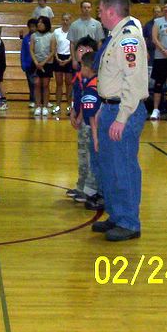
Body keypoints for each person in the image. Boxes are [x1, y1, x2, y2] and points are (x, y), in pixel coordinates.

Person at [92, 0, 149, 242]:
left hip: (124, 110)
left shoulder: (128, 39)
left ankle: (129, 222)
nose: (99, 15)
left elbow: (133, 82)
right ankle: (116, 215)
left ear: (111, 12)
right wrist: (104, 108)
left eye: (100, 11)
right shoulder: (116, 35)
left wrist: (122, 117)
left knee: (123, 167)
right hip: (110, 107)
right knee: (109, 166)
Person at [68, 39, 101, 209]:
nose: (83, 53)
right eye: (80, 49)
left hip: (89, 122)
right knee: (82, 156)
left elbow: (89, 103)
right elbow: (77, 96)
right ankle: (81, 186)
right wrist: (73, 112)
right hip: (83, 120)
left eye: (87, 50)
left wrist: (80, 116)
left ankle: (90, 190)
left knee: (89, 157)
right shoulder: (79, 76)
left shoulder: (94, 81)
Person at [68, 1, 105, 69]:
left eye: (88, 7)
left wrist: (98, 57)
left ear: (91, 9)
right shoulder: (74, 24)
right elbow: (72, 44)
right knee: (78, 75)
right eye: (84, 7)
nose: (86, 9)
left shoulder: (97, 24)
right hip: (79, 57)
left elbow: (99, 42)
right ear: (81, 9)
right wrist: (74, 60)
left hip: (92, 57)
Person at [31, 16, 55, 117]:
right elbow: (31, 50)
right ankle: (38, 106)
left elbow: (52, 51)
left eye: (42, 22)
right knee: (37, 84)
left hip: (47, 63)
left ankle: (45, 106)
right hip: (36, 63)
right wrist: (36, 62)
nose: (39, 24)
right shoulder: (34, 35)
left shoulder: (51, 36)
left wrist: (43, 63)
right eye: (38, 22)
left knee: (45, 85)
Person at [52, 13, 74, 114]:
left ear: (70, 20)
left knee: (69, 83)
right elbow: (53, 46)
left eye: (67, 20)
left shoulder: (73, 32)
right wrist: (57, 58)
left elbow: (74, 47)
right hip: (58, 58)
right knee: (59, 83)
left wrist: (69, 59)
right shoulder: (56, 32)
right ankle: (58, 106)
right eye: (63, 20)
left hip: (69, 58)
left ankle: (69, 106)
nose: (65, 22)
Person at [19, 18, 38, 109]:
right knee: (31, 83)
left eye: (34, 27)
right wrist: (23, 63)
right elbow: (23, 52)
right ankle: (32, 100)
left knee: (40, 83)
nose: (32, 28)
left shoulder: (39, 37)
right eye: (30, 27)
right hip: (29, 64)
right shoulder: (26, 39)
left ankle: (42, 100)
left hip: (39, 63)